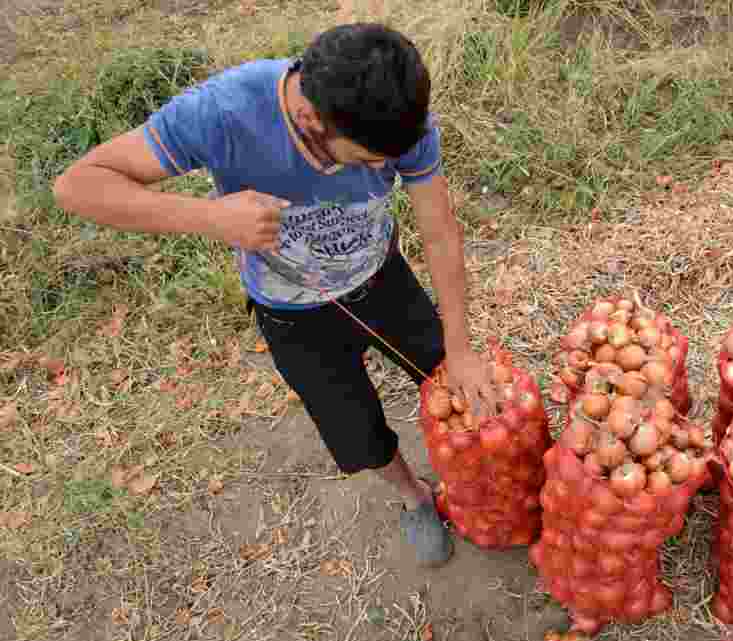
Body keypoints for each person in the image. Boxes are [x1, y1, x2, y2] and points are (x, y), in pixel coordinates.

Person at [53, 23, 498, 568]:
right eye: (363, 161)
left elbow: (439, 233)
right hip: (293, 314)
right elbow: (77, 184)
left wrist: (461, 347)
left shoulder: (398, 119)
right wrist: (211, 217)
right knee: (354, 429)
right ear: (311, 120)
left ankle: (479, 491)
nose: (383, 173)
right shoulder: (223, 111)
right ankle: (413, 496)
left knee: (449, 380)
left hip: (382, 280)